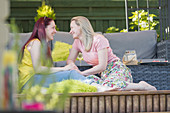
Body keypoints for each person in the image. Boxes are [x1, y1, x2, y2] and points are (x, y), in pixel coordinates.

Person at [18, 17, 115, 92]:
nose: (55, 31)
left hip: (34, 79)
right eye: (53, 28)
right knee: (71, 73)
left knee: (68, 75)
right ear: (44, 29)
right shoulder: (36, 43)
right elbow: (38, 69)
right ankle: (97, 87)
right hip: (29, 81)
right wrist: (64, 69)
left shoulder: (42, 45)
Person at [67, 16, 156, 91]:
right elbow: (70, 60)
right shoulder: (77, 42)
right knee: (87, 83)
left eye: (72, 28)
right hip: (103, 75)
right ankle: (128, 89)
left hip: (115, 69)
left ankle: (141, 86)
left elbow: (102, 66)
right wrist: (73, 67)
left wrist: (82, 73)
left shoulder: (98, 40)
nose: (70, 31)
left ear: (81, 26)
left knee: (108, 86)